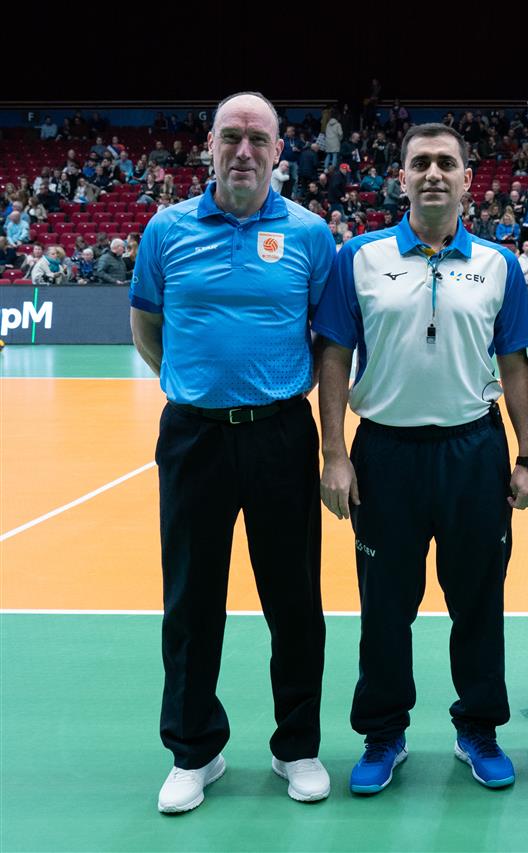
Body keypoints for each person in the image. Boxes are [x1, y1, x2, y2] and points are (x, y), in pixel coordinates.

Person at [313, 122, 528, 794]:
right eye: (421, 163)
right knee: (385, 606)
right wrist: (335, 453)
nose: (434, 173)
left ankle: (479, 729)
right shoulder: (358, 257)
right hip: (385, 454)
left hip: (473, 450)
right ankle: (384, 734)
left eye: (446, 163)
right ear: (402, 177)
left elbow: (516, 365)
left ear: (468, 179)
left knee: (479, 603)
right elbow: (333, 356)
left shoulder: (498, 264)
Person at [129, 92, 334, 814]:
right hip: (194, 437)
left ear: (279, 151)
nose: (243, 151)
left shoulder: (310, 233)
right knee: (190, 598)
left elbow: (329, 339)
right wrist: (193, 385)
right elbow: (146, 324)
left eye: (257, 139)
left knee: (294, 598)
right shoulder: (167, 229)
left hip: (281, 434)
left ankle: (297, 746)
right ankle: (195, 751)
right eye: (231, 137)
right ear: (209, 146)